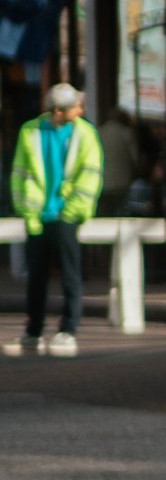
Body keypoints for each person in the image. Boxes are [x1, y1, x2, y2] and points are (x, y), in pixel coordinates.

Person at [9, 80, 102, 360]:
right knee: (36, 276)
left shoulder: (85, 134)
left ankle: (68, 328)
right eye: (75, 106)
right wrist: (27, 209)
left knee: (70, 275)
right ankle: (34, 329)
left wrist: (73, 210)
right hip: (38, 215)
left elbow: (90, 174)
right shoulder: (31, 131)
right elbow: (20, 173)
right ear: (59, 111)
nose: (80, 109)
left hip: (66, 215)